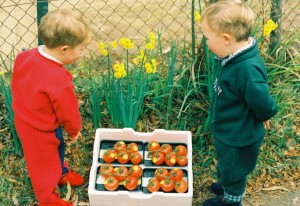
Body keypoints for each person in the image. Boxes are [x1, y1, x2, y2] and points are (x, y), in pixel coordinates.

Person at [199, 0, 278, 205]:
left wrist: (266, 114)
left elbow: (261, 99)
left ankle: (231, 200)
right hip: (229, 128)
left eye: (207, 38)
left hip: (239, 136)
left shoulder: (246, 69)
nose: (206, 43)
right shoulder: (232, 56)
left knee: (235, 169)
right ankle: (225, 186)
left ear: (226, 39)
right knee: (227, 164)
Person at [12, 9, 91, 206]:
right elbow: (68, 110)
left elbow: (20, 83)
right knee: (41, 163)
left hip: (25, 118)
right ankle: (47, 198)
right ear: (64, 49)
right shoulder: (58, 78)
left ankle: (61, 171)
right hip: (39, 128)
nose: (81, 54)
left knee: (56, 150)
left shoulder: (25, 56)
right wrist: (74, 130)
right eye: (80, 50)